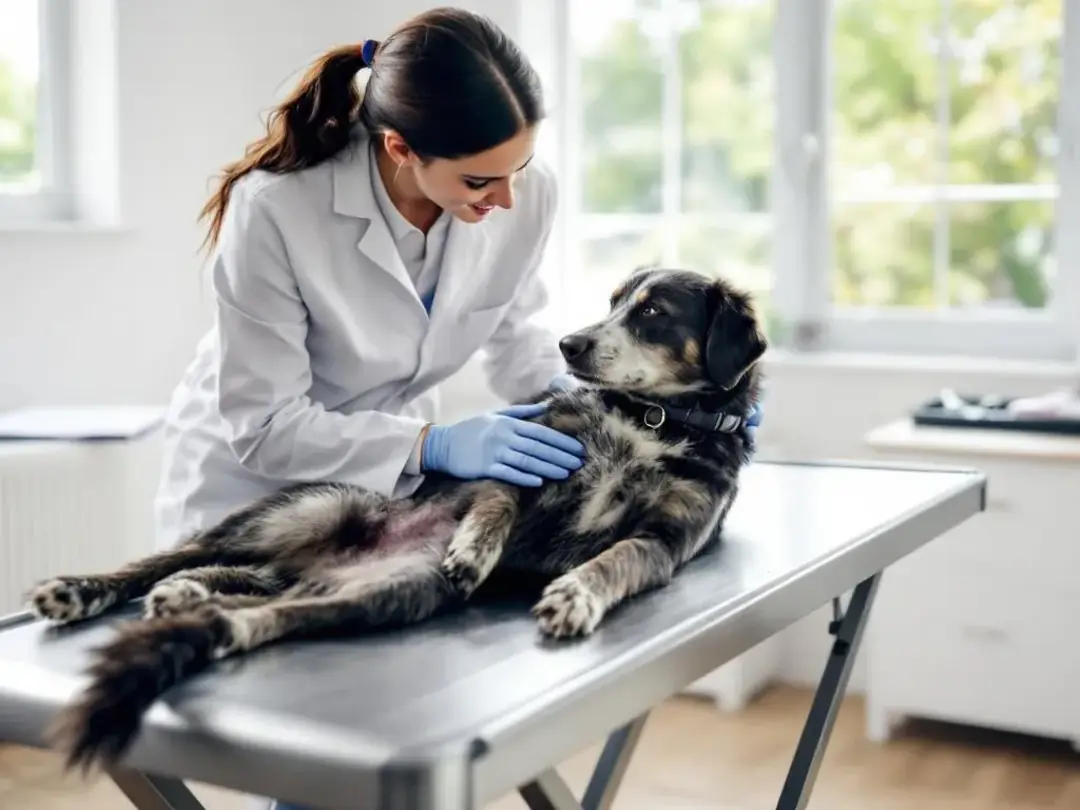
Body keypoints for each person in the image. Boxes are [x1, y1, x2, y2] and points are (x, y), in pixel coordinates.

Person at [152, 8, 761, 809]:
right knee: (320, 754)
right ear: (400, 148)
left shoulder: (517, 195)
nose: (508, 197)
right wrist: (432, 443)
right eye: (481, 180)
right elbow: (263, 424)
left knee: (382, 743)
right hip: (254, 481)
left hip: (392, 494)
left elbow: (517, 343)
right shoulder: (277, 211)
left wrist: (674, 412)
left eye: (521, 168)